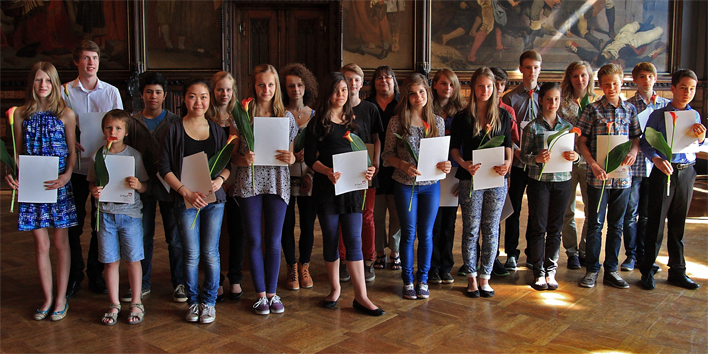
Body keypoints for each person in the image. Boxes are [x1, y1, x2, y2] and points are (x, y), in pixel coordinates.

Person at [304, 72, 383, 316]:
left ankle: (361, 296)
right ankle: (335, 289)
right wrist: (327, 171)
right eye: (337, 90)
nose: (341, 95)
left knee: (353, 240)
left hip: (352, 189)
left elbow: (364, 155)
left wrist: (370, 169)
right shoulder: (317, 122)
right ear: (328, 93)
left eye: (345, 90)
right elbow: (309, 159)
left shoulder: (354, 121)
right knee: (330, 238)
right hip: (327, 188)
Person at [5, 62, 77, 321]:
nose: (43, 85)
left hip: (58, 184)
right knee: (40, 244)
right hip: (33, 185)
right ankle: (47, 297)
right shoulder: (20, 114)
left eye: (47, 80)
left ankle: (61, 298)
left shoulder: (65, 114)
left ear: (55, 84)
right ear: (31, 84)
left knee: (60, 243)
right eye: (38, 80)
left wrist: (67, 175)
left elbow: (71, 153)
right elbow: (16, 152)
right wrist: (12, 173)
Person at [159, 78, 231, 324]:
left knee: (211, 253)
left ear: (209, 100)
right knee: (190, 254)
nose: (198, 101)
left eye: (203, 96)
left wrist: (220, 180)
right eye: (192, 96)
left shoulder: (218, 130)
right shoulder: (173, 129)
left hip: (214, 201)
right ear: (184, 99)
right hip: (185, 200)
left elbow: (227, 166)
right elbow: (164, 167)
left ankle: (209, 302)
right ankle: (192, 302)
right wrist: (185, 192)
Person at [232, 64, 297, 315]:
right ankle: (260, 295)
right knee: (254, 239)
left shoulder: (286, 117)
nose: (266, 89)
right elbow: (233, 156)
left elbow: (291, 156)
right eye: (261, 84)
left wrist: (291, 159)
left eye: (271, 85)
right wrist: (243, 158)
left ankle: (272, 292)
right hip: (249, 181)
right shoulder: (242, 115)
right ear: (254, 86)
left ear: (276, 87)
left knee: (273, 240)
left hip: (278, 181)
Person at [62, 40, 123, 298]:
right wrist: (67, 138)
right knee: (73, 226)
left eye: (94, 58)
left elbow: (120, 125)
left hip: (102, 169)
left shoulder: (110, 92)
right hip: (74, 168)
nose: (90, 63)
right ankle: (75, 275)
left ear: (99, 61)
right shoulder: (64, 92)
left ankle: (95, 273)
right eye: (86, 58)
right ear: (77, 62)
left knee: (101, 225)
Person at [382, 73, 450, 300]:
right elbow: (387, 155)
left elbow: (441, 156)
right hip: (404, 184)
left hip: (431, 185)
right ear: (407, 96)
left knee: (427, 234)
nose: (418, 97)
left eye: (421, 92)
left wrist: (446, 164)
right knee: (409, 233)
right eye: (413, 93)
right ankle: (408, 280)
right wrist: (402, 164)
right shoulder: (397, 121)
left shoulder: (437, 121)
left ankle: (423, 279)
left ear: (428, 93)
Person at [639, 69, 705, 290]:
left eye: (692, 89)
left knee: (678, 225)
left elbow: (697, 144)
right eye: (683, 87)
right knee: (655, 223)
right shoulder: (658, 115)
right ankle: (647, 270)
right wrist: (657, 160)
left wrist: (702, 137)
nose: (687, 92)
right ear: (673, 88)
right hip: (664, 172)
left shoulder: (694, 115)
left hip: (686, 172)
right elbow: (646, 143)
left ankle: (677, 271)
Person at [576, 63, 641, 289]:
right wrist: (592, 164)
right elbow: (581, 141)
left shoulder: (630, 110)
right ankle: (592, 269)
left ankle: (611, 270)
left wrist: (633, 152)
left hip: (622, 177)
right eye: (606, 84)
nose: (611, 87)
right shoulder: (592, 110)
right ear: (600, 86)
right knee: (595, 224)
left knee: (617, 225)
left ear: (622, 82)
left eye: (615, 83)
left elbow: (635, 138)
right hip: (598, 177)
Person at [451, 67, 513, 298]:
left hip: (497, 179)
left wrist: (507, 163)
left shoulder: (503, 115)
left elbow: (508, 146)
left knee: (491, 229)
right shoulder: (462, 117)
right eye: (480, 86)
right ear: (473, 87)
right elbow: (454, 149)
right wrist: (464, 164)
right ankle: (471, 278)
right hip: (471, 178)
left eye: (489, 86)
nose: (485, 90)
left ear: (495, 88)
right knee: (471, 229)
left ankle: (485, 277)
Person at [124, 72, 185, 303]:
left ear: (165, 96)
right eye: (149, 91)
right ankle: (142, 283)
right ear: (142, 94)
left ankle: (179, 282)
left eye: (158, 92)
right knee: (143, 236)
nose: (153, 96)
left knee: (175, 238)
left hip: (169, 187)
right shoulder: (131, 121)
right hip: (140, 187)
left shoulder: (174, 122)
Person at [88, 109, 149, 325]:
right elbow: (92, 181)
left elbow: (144, 186)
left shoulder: (134, 155)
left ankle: (136, 302)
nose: (113, 131)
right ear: (103, 130)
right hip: (105, 216)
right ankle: (114, 303)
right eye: (109, 127)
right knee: (110, 262)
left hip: (130, 215)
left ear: (126, 132)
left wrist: (138, 185)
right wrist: (94, 191)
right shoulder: (98, 155)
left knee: (133, 259)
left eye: (118, 128)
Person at [519, 82, 578, 291]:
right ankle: (538, 271)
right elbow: (523, 157)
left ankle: (551, 269)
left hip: (563, 182)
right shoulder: (532, 127)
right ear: (541, 101)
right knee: (538, 227)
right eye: (549, 99)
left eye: (556, 99)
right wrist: (536, 158)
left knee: (555, 228)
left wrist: (575, 156)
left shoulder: (567, 127)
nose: (553, 103)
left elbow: (575, 156)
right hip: (539, 183)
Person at [622, 62, 670, 272]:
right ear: (635, 80)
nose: (646, 80)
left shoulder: (665, 106)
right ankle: (631, 255)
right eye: (642, 76)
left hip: (656, 167)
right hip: (634, 167)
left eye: (650, 76)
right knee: (630, 213)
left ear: (655, 78)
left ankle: (646, 255)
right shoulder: (629, 106)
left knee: (649, 214)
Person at [339, 63, 384, 282]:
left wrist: (375, 165)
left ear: (362, 83)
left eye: (356, 79)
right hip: (343, 170)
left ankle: (368, 260)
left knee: (367, 217)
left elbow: (376, 139)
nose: (352, 84)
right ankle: (344, 260)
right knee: (343, 215)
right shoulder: (336, 107)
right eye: (348, 79)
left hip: (366, 171)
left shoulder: (370, 108)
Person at [207, 71, 245, 301]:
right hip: (210, 182)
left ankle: (236, 278)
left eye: (228, 90)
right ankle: (217, 278)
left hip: (235, 181)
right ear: (213, 91)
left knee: (237, 231)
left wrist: (230, 181)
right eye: (220, 89)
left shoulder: (239, 117)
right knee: (216, 234)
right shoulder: (205, 116)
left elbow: (238, 154)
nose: (224, 94)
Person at [501, 50, 541, 270]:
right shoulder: (510, 97)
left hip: (538, 164)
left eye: (535, 67)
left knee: (536, 210)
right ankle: (511, 253)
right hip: (516, 162)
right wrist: (516, 152)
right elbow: (507, 132)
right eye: (527, 67)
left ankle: (533, 253)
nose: (531, 71)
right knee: (513, 209)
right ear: (521, 69)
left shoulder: (546, 96)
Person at [280, 63, 318, 290]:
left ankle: (305, 266)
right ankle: (291, 267)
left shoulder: (315, 115)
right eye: (291, 86)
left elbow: (323, 147)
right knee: (286, 224)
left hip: (309, 175)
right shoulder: (279, 113)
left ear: (306, 87)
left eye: (300, 85)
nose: (296, 89)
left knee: (307, 224)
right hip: (284, 176)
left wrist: (310, 156)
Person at [559, 61, 596, 270]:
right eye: (575, 76)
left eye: (583, 75)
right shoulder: (562, 103)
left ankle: (585, 249)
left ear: (589, 77)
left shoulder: (597, 102)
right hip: (567, 162)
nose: (580, 80)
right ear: (569, 78)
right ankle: (571, 251)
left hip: (590, 163)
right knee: (568, 210)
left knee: (592, 210)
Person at [429, 68, 465, 284]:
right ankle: (432, 267)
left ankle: (446, 266)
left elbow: (464, 147)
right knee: (432, 223)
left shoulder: (461, 114)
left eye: (452, 84)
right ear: (434, 85)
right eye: (443, 83)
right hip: (431, 171)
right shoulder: (425, 110)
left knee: (448, 223)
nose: (447, 88)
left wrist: (462, 178)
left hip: (452, 173)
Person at [367, 66, 402, 273]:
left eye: (388, 76)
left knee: (397, 214)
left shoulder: (401, 103)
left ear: (394, 80)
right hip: (374, 166)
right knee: (377, 214)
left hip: (397, 165)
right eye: (379, 78)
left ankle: (395, 253)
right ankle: (378, 252)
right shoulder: (368, 105)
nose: (383, 80)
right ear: (374, 83)